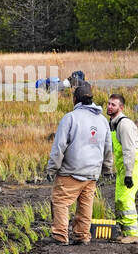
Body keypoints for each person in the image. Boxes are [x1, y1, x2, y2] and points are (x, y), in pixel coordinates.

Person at [45, 81, 113, 245]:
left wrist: (51, 169)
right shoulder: (103, 120)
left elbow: (59, 146)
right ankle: (82, 236)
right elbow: (108, 147)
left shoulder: (70, 118)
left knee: (60, 202)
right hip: (92, 173)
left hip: (71, 171)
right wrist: (107, 169)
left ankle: (60, 236)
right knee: (85, 205)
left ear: (75, 99)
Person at [107, 93, 138, 244]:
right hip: (125, 165)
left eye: (114, 105)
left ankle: (133, 235)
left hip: (133, 164)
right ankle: (125, 232)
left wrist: (129, 174)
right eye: (109, 104)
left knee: (126, 198)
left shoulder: (123, 124)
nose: (110, 107)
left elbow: (129, 150)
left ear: (121, 108)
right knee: (119, 198)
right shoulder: (113, 124)